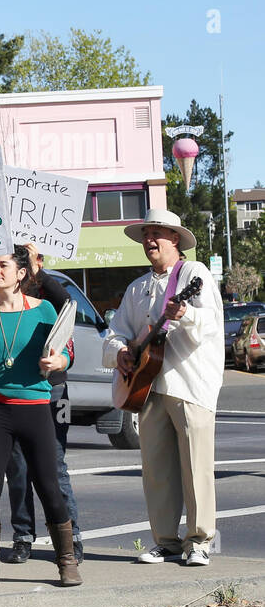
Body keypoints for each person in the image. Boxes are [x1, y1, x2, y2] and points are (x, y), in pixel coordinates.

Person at [0, 245, 79, 590]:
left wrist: (58, 364)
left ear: (21, 273)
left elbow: (66, 351)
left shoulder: (44, 310)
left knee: (48, 486)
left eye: (3, 265)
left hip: (35, 407)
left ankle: (66, 561)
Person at [103, 209, 222, 566]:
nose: (149, 241)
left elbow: (211, 324)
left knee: (195, 465)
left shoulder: (194, 274)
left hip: (190, 384)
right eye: (145, 235)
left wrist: (185, 315)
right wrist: (121, 352)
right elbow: (114, 333)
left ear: (176, 240)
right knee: (156, 468)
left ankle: (199, 540)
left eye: (157, 234)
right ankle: (166, 541)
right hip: (148, 386)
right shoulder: (137, 287)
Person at [3, 244, 84, 565]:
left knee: (53, 467)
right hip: (13, 394)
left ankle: (70, 537)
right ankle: (23, 537)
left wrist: (39, 272)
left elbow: (69, 304)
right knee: (18, 469)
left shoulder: (51, 298)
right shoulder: (3, 298)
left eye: (30, 261)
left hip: (50, 394)